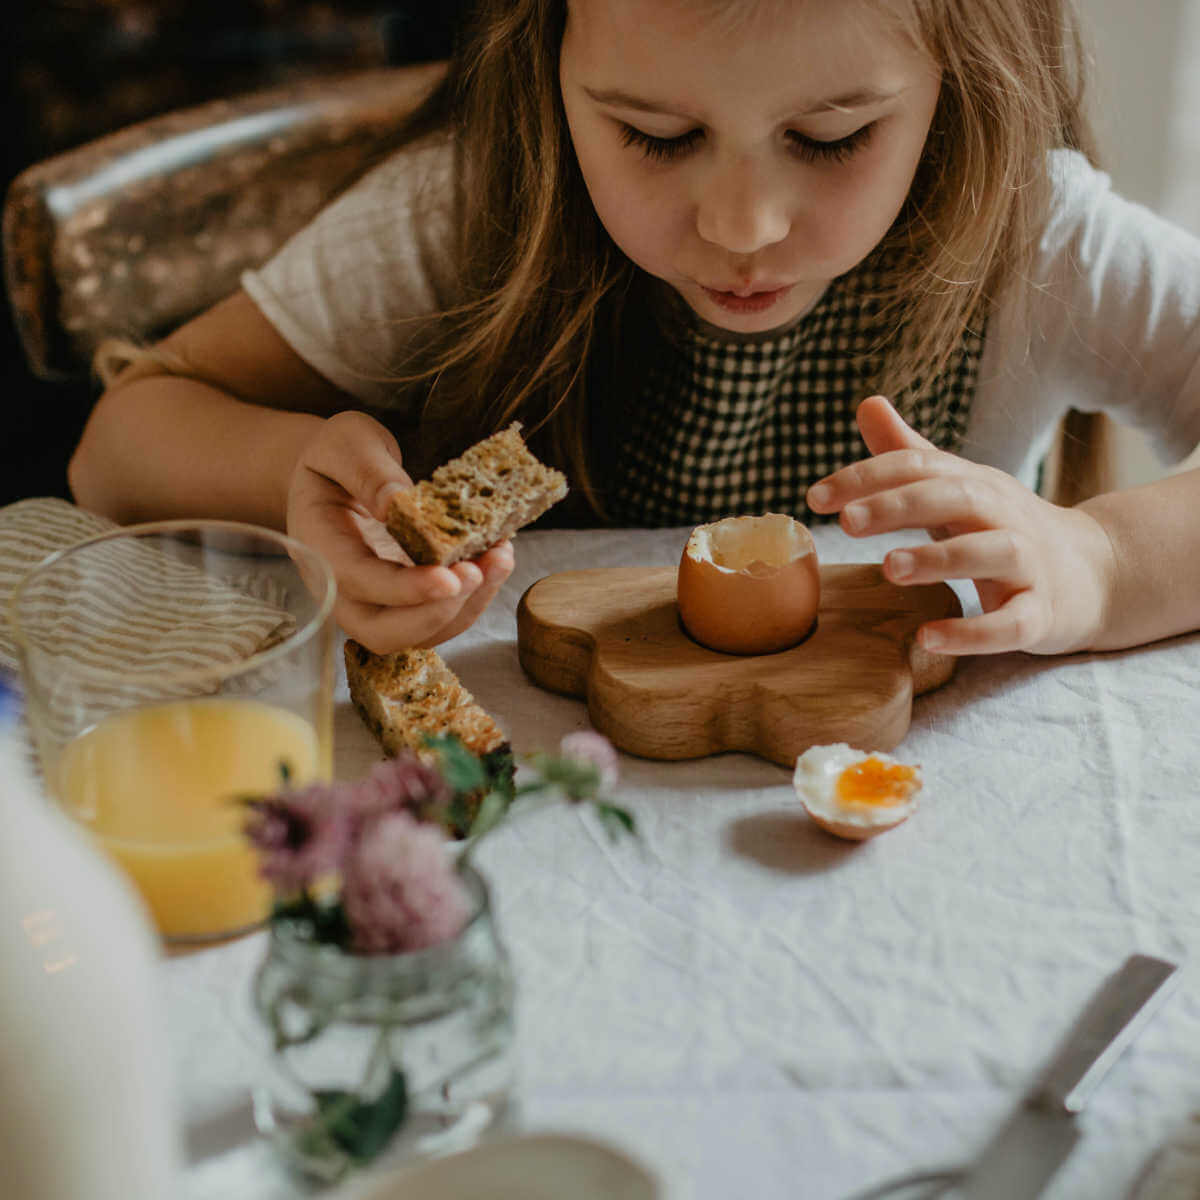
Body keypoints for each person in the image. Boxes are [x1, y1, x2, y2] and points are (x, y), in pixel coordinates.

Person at [68, 0, 1200, 660]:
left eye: (831, 136)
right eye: (656, 137)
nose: (742, 227)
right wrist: (291, 486)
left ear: (956, 75)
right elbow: (118, 445)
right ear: (547, 62)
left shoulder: (1034, 240)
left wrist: (1099, 561)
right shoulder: (462, 217)